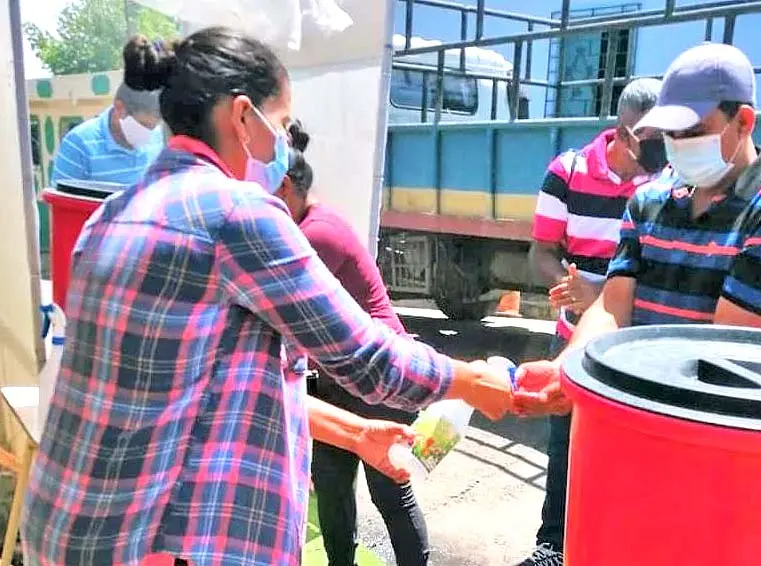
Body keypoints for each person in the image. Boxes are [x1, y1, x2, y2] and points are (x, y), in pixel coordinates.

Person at [23, 27, 513, 566]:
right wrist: (472, 381)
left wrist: (356, 432)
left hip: (67, 525)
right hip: (153, 541)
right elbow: (366, 359)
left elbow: (225, 387)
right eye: (279, 124)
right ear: (241, 117)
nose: (285, 145)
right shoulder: (237, 214)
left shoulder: (111, 215)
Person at [514, 43, 761, 418]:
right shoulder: (649, 201)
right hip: (642, 414)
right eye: (669, 134)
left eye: (693, 131)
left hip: (729, 429)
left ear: (743, 122)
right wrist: (566, 369)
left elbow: (716, 353)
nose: (677, 146)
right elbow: (614, 305)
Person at [518, 77, 665, 566]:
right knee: (565, 454)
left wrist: (599, 295)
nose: (662, 149)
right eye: (651, 139)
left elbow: (654, 273)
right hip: (576, 343)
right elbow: (542, 253)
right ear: (622, 134)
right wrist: (567, 286)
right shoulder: (567, 171)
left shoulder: (666, 184)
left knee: (629, 465)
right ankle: (552, 548)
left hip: (639, 347)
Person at [274, 121, 431, 566]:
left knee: (389, 491)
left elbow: (291, 319)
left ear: (287, 188)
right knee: (332, 486)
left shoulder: (316, 234)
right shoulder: (311, 225)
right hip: (342, 382)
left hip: (380, 380)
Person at [51, 35, 165, 187]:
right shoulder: (79, 145)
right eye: (143, 125)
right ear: (119, 108)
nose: (148, 133)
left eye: (153, 126)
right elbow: (62, 208)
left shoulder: (157, 137)